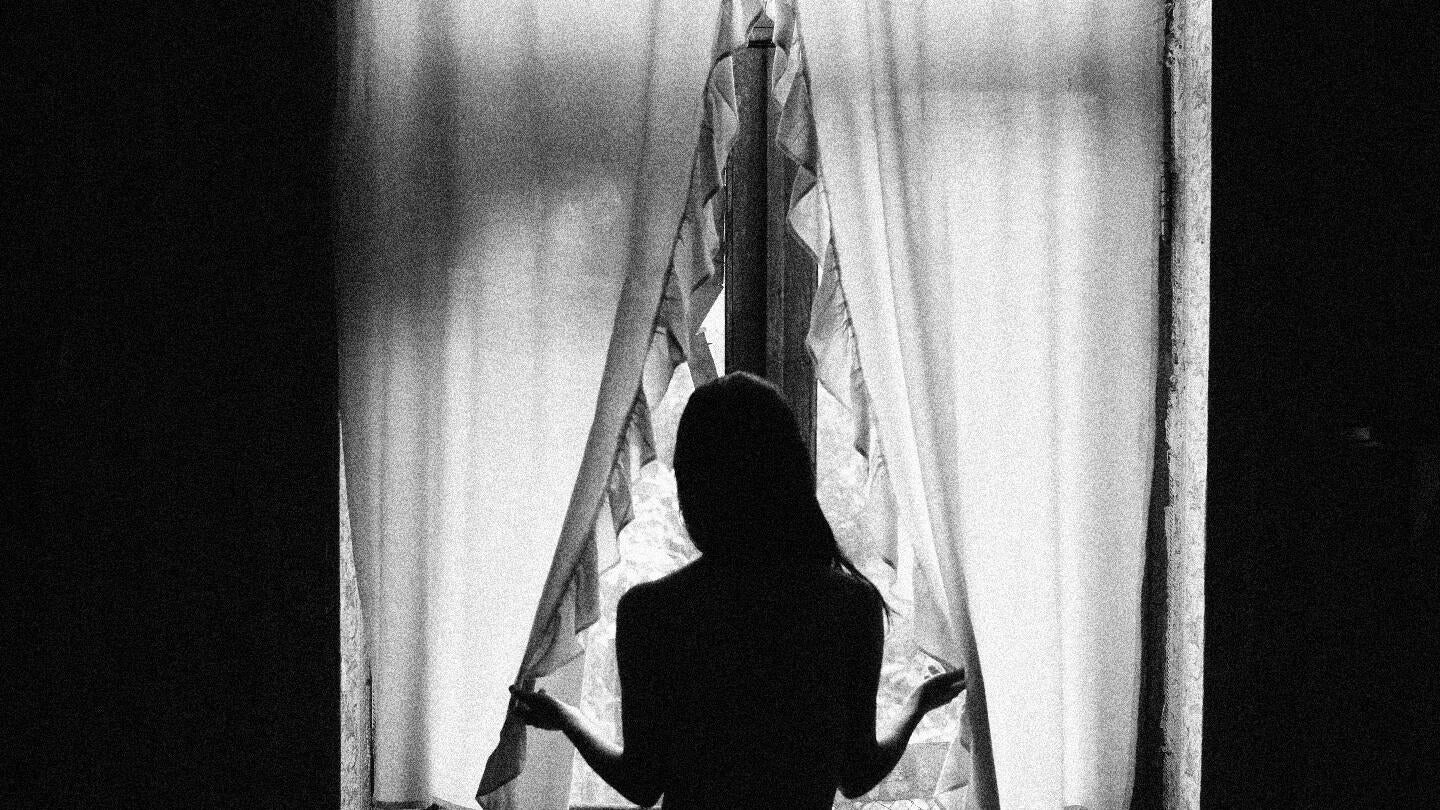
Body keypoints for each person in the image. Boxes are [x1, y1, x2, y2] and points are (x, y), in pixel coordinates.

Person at [510, 371, 965, 808]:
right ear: (790, 478)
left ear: (695, 485)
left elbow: (643, 784)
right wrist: (917, 705)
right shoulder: (850, 607)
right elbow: (856, 774)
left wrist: (567, 719)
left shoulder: (652, 613)